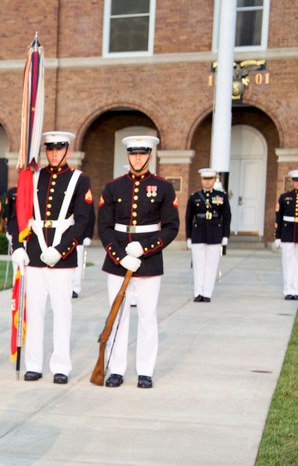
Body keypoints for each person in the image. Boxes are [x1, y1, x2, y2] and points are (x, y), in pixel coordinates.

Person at [9, 131, 93, 384]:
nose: (54, 153)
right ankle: (33, 364)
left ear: (67, 150)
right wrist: (18, 246)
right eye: (50, 149)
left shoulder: (79, 179)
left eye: (59, 149)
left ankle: (61, 366)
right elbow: (19, 213)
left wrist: (61, 249)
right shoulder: (32, 177)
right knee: (34, 312)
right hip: (34, 252)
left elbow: (82, 221)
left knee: (62, 312)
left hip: (62, 254)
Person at [96, 135, 179, 389]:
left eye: (143, 153)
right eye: (133, 153)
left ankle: (145, 370)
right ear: (128, 156)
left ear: (150, 156)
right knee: (117, 316)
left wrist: (144, 247)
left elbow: (171, 227)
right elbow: (105, 226)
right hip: (117, 261)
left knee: (147, 316)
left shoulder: (163, 187)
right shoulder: (113, 187)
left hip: (150, 262)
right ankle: (116, 369)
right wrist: (120, 256)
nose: (138, 157)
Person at [185, 167, 232, 302]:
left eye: (210, 179)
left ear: (214, 179)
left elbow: (227, 216)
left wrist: (225, 235)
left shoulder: (221, 196)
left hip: (215, 233)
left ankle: (207, 293)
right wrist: (188, 236)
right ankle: (198, 292)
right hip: (198, 233)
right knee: (198, 264)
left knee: (211, 264)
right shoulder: (194, 197)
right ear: (201, 180)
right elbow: (189, 217)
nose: (207, 182)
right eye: (205, 179)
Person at [274, 170, 298, 299]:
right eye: (295, 181)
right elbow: (279, 217)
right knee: (288, 263)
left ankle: (297, 289)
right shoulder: (284, 197)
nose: (297, 183)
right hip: (287, 232)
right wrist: (277, 236)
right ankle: (288, 290)